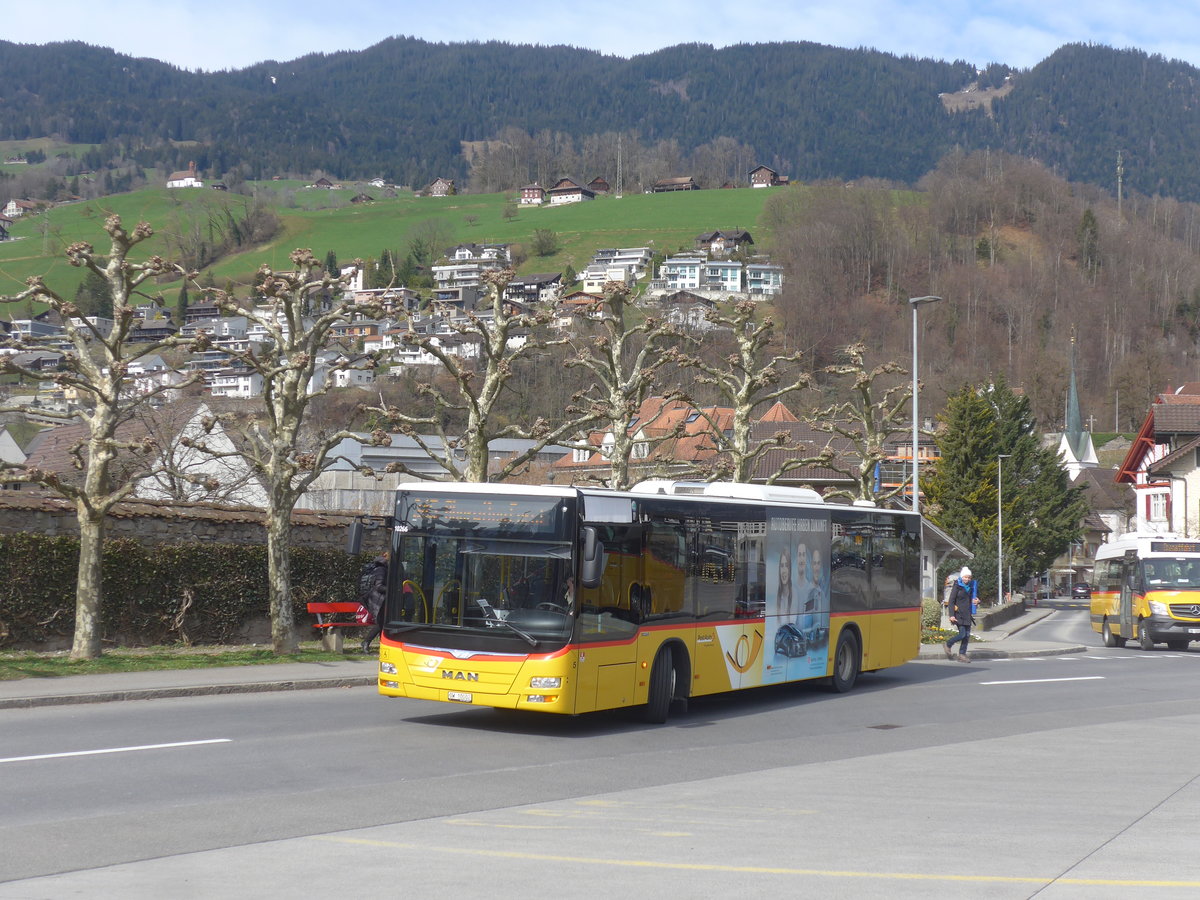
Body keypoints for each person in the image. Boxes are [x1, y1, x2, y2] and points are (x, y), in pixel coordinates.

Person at [359, 551, 389, 655]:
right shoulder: (381, 569)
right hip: (377, 600)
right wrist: (393, 589)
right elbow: (379, 586)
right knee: (381, 624)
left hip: (381, 600)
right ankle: (366, 642)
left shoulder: (385, 568)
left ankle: (381, 646)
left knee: (383, 623)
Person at [944, 566, 975, 662]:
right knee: (962, 635)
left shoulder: (971, 587)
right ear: (962, 577)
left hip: (967, 614)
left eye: (969, 577)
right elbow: (951, 601)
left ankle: (962, 655)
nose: (967, 579)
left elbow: (972, 600)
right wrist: (951, 615)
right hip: (958, 614)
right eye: (965, 577)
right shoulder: (957, 586)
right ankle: (948, 644)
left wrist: (977, 601)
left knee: (967, 636)